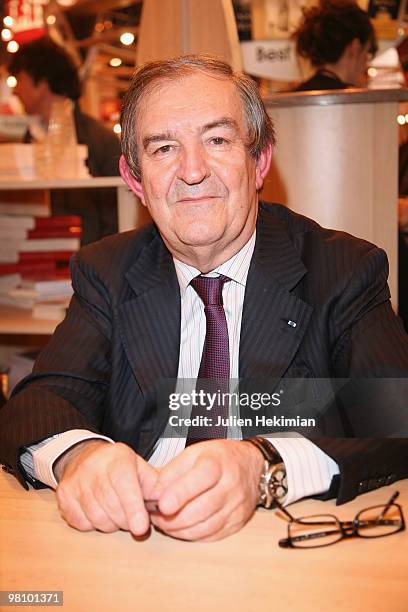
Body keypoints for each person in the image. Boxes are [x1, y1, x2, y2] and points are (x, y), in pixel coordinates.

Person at [0, 55, 407, 543]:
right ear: (135, 180)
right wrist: (81, 456)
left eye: (216, 140)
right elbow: (39, 402)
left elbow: (393, 413)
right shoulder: (107, 272)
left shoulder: (342, 271)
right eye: (164, 148)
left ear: (259, 161)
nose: (191, 171)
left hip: (284, 547)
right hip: (129, 550)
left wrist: (261, 464)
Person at [8, 36, 121, 244]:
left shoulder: (99, 140)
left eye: (19, 79)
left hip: (89, 266)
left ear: (41, 83)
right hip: (39, 261)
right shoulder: (30, 136)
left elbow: (116, 217)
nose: (15, 91)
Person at [292, 0, 377, 91]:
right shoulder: (356, 101)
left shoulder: (291, 97)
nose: (365, 66)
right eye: (366, 54)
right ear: (355, 47)